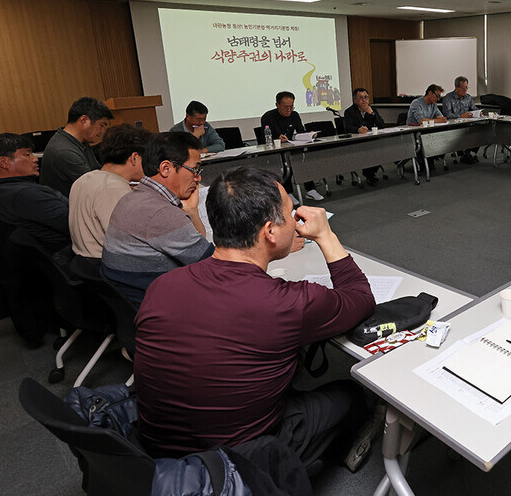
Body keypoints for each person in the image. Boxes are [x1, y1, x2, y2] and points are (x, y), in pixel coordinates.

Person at [135, 167, 374, 467]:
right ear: (270, 231)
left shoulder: (162, 286)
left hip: (156, 450)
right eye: (289, 212)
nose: (295, 218)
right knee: (350, 394)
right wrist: (325, 235)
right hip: (237, 462)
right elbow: (361, 298)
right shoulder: (287, 303)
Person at [101, 132, 214, 308]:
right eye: (194, 169)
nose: (198, 178)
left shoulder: (132, 198)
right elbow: (212, 266)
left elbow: (197, 249)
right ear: (166, 168)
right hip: (162, 309)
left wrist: (191, 211)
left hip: (133, 302)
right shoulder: (161, 213)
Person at [69, 124, 151, 261]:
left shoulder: (85, 179)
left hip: (84, 263)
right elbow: (133, 243)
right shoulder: (113, 189)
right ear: (135, 157)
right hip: (107, 267)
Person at [0, 133, 69, 250]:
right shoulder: (24, 194)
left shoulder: (4, 189)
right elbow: (74, 223)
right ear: (3, 162)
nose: (35, 159)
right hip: (65, 252)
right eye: (27, 154)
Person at [40, 97, 113, 197]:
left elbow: (97, 171)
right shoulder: (64, 151)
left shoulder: (80, 141)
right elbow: (95, 187)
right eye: (101, 125)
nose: (103, 131)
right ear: (84, 120)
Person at [260, 91, 322, 201]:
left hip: (290, 147)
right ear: (277, 105)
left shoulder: (294, 115)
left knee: (303, 158)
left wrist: (309, 134)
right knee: (286, 161)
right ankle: (287, 192)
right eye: (285, 107)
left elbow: (300, 131)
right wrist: (277, 139)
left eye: (291, 107)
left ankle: (310, 189)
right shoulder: (268, 117)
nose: (289, 110)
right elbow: (264, 139)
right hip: (275, 151)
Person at [343, 87, 386, 185]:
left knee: (383, 148)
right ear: (355, 100)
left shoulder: (372, 109)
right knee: (369, 150)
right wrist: (358, 130)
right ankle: (369, 174)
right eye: (361, 98)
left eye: (366, 97)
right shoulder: (349, 111)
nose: (364, 100)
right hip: (357, 141)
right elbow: (348, 128)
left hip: (372, 140)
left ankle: (370, 173)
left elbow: (382, 125)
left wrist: (371, 113)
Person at [407, 84, 447, 173]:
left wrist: (434, 120)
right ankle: (424, 163)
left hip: (427, 130)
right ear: (430, 92)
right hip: (414, 131)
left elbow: (442, 119)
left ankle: (431, 159)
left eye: (439, 97)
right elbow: (421, 121)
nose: (438, 99)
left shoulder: (433, 105)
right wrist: (436, 120)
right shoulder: (416, 103)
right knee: (426, 137)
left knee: (441, 134)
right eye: (437, 96)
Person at [442, 76, 481, 164]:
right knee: (464, 133)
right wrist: (460, 116)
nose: (465, 90)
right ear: (456, 87)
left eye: (466, 87)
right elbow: (446, 114)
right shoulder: (448, 98)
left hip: (467, 124)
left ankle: (468, 152)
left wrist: (478, 112)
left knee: (480, 130)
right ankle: (464, 153)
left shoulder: (468, 97)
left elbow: (474, 108)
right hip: (454, 125)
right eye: (463, 88)